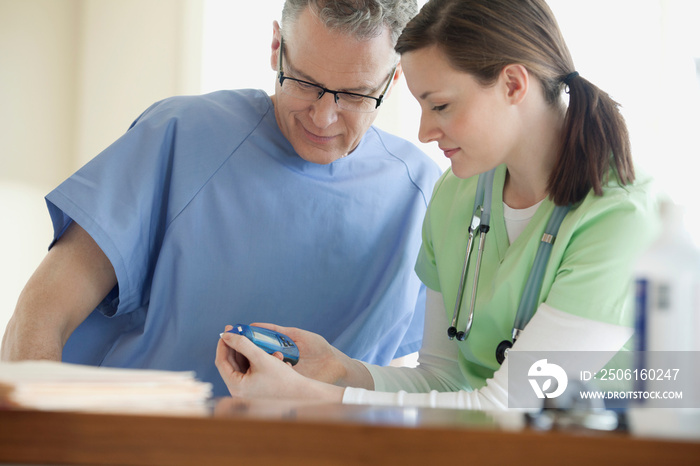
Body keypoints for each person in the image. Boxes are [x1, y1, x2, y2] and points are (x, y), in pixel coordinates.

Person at [215, 0, 660, 409]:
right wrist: (340, 371)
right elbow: (445, 381)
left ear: (512, 84)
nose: (425, 131)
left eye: (441, 105)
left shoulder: (621, 220)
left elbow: (509, 407)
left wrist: (310, 397)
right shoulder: (456, 195)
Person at [1, 0, 442, 397]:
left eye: (354, 95)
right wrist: (40, 438)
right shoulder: (180, 136)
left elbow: (407, 378)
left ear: (394, 79)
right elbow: (41, 313)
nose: (323, 116)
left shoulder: (423, 195)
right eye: (305, 82)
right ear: (276, 47)